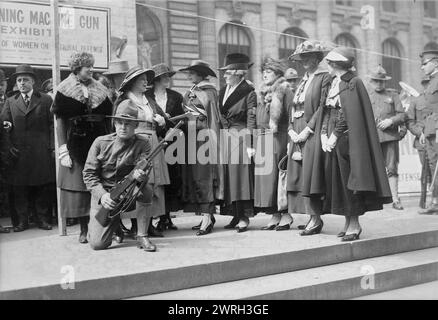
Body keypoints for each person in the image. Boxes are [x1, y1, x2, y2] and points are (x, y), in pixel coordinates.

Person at [317, 46, 392, 241]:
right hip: (334, 137)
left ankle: (355, 224)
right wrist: (324, 133)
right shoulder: (333, 82)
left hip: (348, 139)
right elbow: (326, 111)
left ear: (337, 63)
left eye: (330, 62)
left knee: (352, 183)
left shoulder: (353, 82)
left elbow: (347, 114)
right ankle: (347, 222)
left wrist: (334, 135)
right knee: (340, 183)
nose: (328, 65)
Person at [51, 52, 113, 243]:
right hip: (76, 143)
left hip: (99, 141)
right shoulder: (64, 89)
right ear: (78, 69)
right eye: (88, 67)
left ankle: (103, 226)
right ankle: (84, 229)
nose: (92, 70)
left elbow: (108, 120)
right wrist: (63, 149)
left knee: (101, 183)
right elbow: (60, 121)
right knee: (79, 187)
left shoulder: (101, 89)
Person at [83, 99, 156, 251]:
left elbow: (145, 170)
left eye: (128, 123)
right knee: (98, 244)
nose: (123, 127)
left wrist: (141, 176)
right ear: (114, 123)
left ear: (136, 126)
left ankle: (142, 235)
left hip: (129, 191)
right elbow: (89, 174)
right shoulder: (100, 142)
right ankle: (115, 226)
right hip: (104, 195)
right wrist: (102, 196)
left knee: (147, 189)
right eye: (119, 122)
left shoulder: (143, 143)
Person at [115, 66, 169, 238]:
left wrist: (161, 121)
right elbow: (117, 125)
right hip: (134, 144)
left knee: (152, 184)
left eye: (147, 79)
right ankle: (134, 225)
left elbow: (164, 121)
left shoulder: (149, 100)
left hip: (152, 142)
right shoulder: (124, 100)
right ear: (132, 82)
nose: (146, 82)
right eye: (142, 80)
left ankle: (148, 224)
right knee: (135, 183)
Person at [0, 64, 56, 232]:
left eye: (25, 80)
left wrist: (52, 147)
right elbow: (4, 127)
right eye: (19, 80)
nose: (22, 83)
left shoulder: (45, 99)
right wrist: (9, 147)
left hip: (41, 152)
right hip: (18, 153)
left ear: (33, 81)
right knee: (20, 189)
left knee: (42, 186)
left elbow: (52, 126)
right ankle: (22, 222)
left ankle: (43, 220)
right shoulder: (11, 101)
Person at [287, 41, 331, 235]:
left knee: (311, 175)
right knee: (299, 175)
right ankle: (309, 216)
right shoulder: (302, 80)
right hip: (296, 130)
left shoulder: (324, 78)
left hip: (311, 130)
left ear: (317, 58)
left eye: (308, 56)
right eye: (302, 57)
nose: (304, 60)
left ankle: (316, 218)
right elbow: (294, 106)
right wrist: (291, 128)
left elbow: (322, 106)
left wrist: (308, 129)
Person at [179, 60, 224, 236]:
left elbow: (212, 118)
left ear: (199, 74)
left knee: (205, 176)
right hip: (191, 138)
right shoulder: (190, 92)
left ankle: (208, 217)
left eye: (191, 72)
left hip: (204, 137)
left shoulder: (209, 92)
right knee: (196, 177)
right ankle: (206, 215)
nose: (188, 75)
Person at [218, 53, 256, 232]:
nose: (224, 75)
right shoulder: (223, 91)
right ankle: (234, 214)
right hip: (227, 136)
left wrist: (250, 144)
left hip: (241, 136)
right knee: (230, 179)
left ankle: (244, 217)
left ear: (238, 74)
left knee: (241, 179)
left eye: (227, 72)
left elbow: (251, 118)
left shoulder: (249, 92)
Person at [146, 63, 185, 231]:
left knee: (170, 178)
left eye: (169, 76)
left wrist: (171, 125)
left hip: (171, 141)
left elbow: (182, 120)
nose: (168, 79)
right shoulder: (147, 96)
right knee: (155, 179)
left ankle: (166, 217)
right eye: (164, 77)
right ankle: (153, 217)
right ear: (156, 80)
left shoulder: (176, 96)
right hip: (153, 141)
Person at [255, 58, 291, 229]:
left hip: (279, 138)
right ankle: (275, 214)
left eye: (268, 71)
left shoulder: (284, 90)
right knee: (269, 179)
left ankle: (286, 214)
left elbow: (292, 116)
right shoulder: (263, 92)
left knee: (280, 176)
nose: (264, 74)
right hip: (264, 138)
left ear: (277, 74)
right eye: (263, 71)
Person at [366, 65, 407, 210]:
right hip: (372, 138)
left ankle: (395, 199)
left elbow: (402, 115)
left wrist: (391, 121)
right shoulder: (366, 95)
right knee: (371, 168)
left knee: (391, 168)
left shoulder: (393, 95)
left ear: (385, 82)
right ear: (370, 81)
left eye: (381, 81)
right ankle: (373, 199)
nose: (378, 84)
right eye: (376, 81)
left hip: (389, 137)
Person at [417, 49, 438, 214]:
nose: (422, 67)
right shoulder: (431, 82)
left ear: (435, 62)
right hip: (431, 129)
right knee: (433, 164)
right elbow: (427, 110)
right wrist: (424, 130)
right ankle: (436, 202)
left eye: (425, 64)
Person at [407, 76, 432, 208]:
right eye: (426, 83)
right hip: (423, 142)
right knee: (426, 171)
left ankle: (435, 200)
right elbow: (410, 122)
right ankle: (425, 200)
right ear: (423, 85)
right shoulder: (416, 101)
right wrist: (420, 133)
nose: (429, 86)